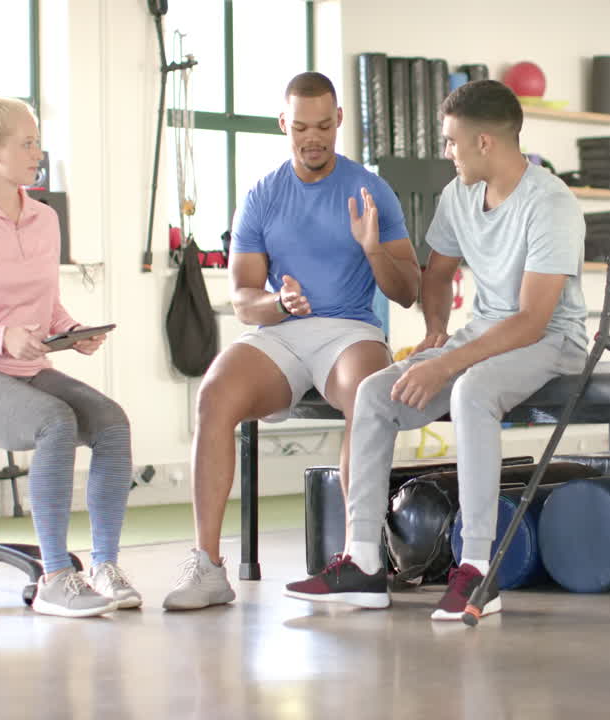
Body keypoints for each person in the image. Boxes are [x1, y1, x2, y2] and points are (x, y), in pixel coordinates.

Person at [285, 80, 588, 620]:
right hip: (486, 332)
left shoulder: (550, 202)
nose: (446, 152)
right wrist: (434, 331)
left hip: (552, 339)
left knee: (472, 390)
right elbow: (438, 271)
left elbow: (532, 320)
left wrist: (448, 363)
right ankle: (363, 562)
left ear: (485, 144)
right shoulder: (458, 196)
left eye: (451, 141)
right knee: (376, 394)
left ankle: (476, 570)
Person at [162, 72, 420, 610]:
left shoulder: (369, 189)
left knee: (369, 395)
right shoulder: (262, 195)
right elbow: (242, 299)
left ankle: (361, 560)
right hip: (279, 331)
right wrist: (279, 303)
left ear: (339, 121)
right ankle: (207, 566)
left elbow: (408, 291)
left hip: (350, 330)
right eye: (301, 127)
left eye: (324, 125)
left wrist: (373, 250)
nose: (314, 137)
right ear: (284, 125)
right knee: (213, 395)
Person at [0, 92, 137, 618]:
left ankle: (103, 566)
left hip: (28, 368)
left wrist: (72, 330)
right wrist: (0, 338)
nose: (38, 152)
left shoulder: (43, 219)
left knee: (111, 423)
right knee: (55, 421)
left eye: (38, 141)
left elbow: (46, 305)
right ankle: (57, 577)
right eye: (27, 143)